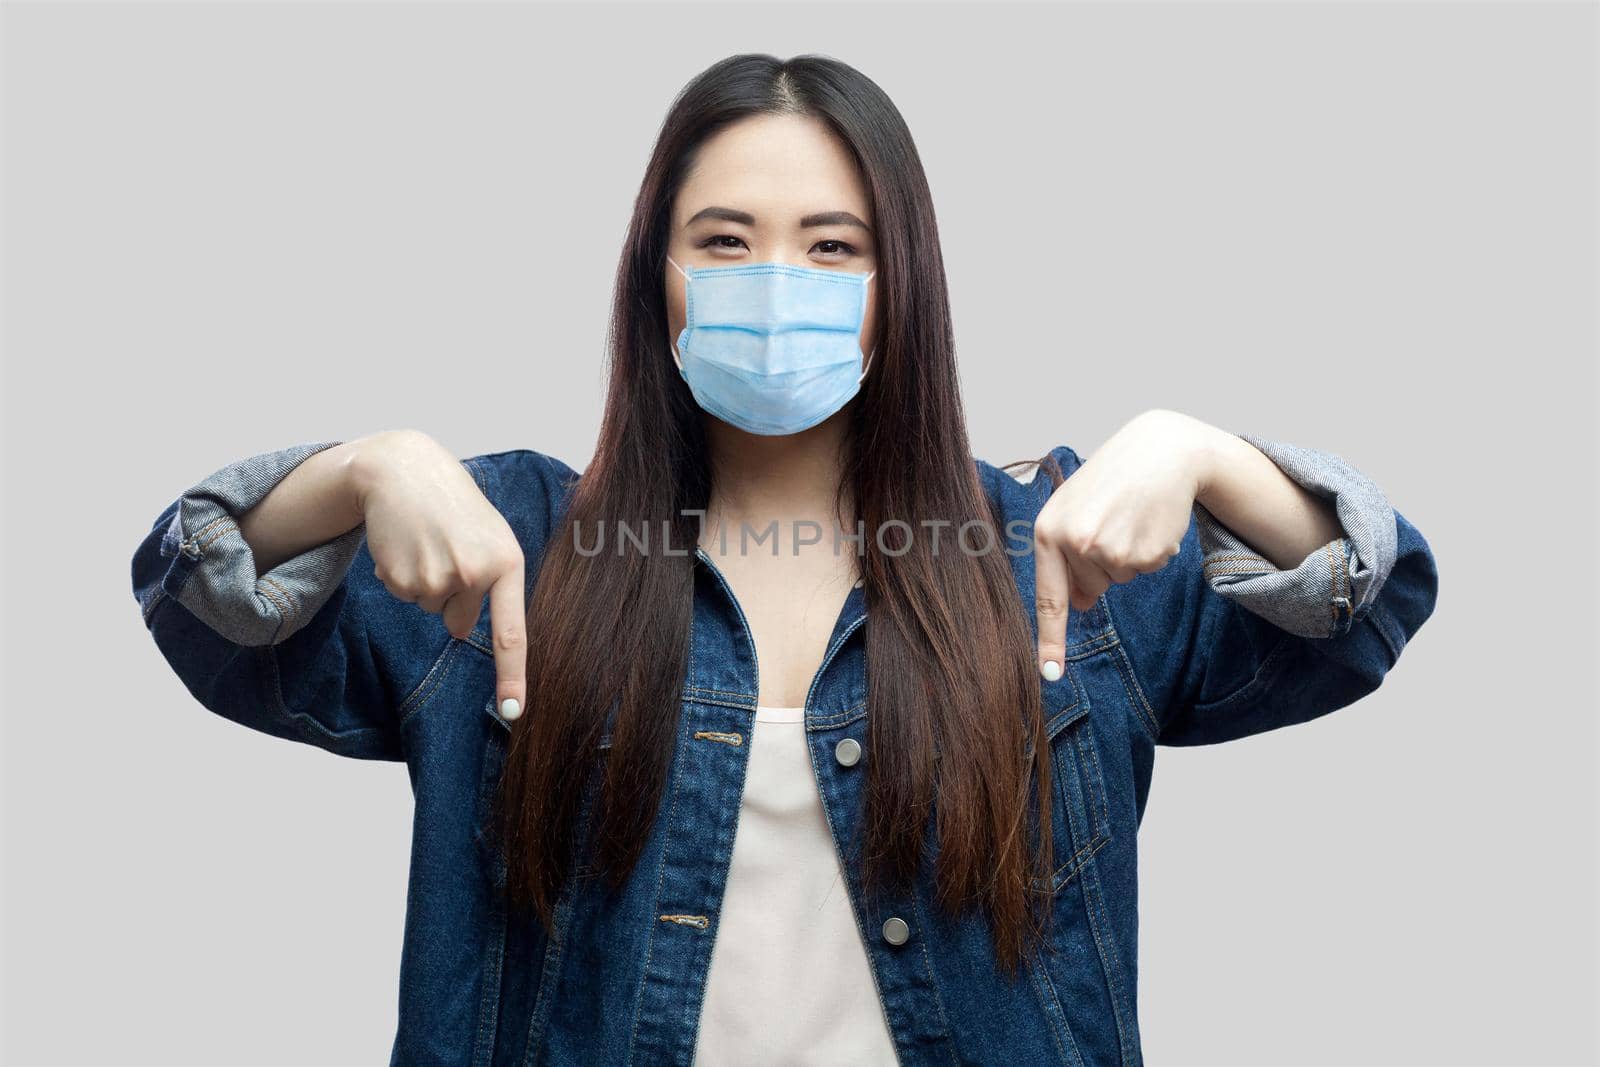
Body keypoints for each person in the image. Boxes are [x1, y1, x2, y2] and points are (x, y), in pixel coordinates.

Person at [131, 53, 1439, 1066]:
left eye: (831, 246)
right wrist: (362, 469)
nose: (775, 280)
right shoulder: (513, 553)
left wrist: (1206, 457)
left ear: (901, 281)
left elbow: (1363, 604)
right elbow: (205, 599)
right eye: (723, 240)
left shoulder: (1054, 555)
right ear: (657, 276)